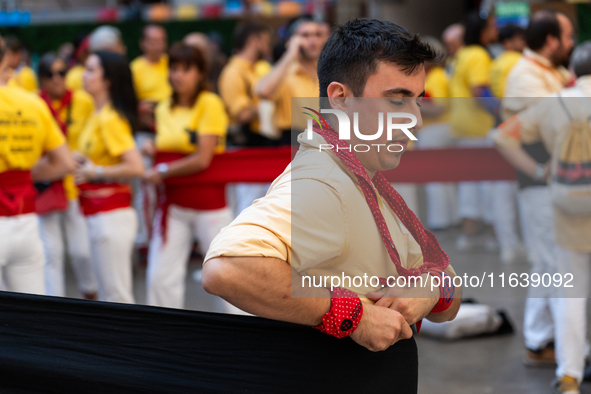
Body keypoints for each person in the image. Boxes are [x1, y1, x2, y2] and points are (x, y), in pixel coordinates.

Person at [202, 19, 461, 358]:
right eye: (397, 101)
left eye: (417, 100)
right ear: (340, 98)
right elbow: (226, 269)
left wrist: (427, 291)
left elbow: (449, 293)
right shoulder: (324, 182)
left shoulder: (360, 174)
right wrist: (354, 316)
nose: (416, 119)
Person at [494, 40, 591, 394]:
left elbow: (502, 137)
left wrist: (539, 170)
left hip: (569, 209)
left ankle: (569, 376)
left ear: (575, 71)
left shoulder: (554, 104)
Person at [501, 9, 574, 369]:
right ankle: (566, 355)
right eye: (569, 36)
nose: (572, 44)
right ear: (551, 41)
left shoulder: (552, 71)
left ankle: (541, 339)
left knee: (549, 264)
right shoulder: (525, 76)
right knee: (558, 265)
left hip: (561, 184)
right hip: (542, 185)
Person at [142, 43, 232, 309]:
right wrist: (153, 149)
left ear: (200, 73)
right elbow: (171, 146)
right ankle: (163, 340)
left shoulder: (210, 103)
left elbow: (203, 158)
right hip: (172, 205)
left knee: (228, 278)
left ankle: (243, 340)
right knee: (159, 278)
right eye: (174, 68)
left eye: (186, 69)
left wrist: (163, 170)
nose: (178, 75)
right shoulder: (163, 108)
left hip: (209, 205)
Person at [0, 35, 75, 295]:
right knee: (28, 315)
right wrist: (22, 177)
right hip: (26, 221)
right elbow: (65, 162)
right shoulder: (32, 103)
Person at [75, 51, 144, 303]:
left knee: (116, 295)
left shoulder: (111, 119)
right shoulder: (97, 115)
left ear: (108, 81)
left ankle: (128, 343)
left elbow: (136, 167)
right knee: (109, 294)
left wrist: (96, 172)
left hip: (111, 216)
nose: (84, 75)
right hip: (98, 214)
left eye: (92, 70)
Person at [37, 52, 98, 299]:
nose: (57, 79)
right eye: (51, 74)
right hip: (48, 184)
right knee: (51, 253)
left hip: (76, 184)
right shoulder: (35, 104)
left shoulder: (83, 101)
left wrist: (79, 156)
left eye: (61, 73)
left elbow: (92, 135)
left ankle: (91, 294)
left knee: (82, 250)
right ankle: (55, 305)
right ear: (42, 79)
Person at [449, 10, 499, 251]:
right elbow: (480, 91)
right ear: (482, 31)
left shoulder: (461, 54)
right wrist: (501, 112)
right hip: (479, 127)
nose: (496, 30)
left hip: (460, 125)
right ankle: (493, 235)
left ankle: (468, 235)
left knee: (469, 182)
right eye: (491, 26)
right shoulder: (479, 55)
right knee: (489, 183)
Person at [218, 22, 273, 215]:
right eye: (265, 41)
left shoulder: (258, 68)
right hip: (243, 150)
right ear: (253, 41)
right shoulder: (233, 72)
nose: (268, 46)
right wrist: (267, 101)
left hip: (262, 147)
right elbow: (241, 114)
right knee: (248, 209)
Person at [130, 25, 172, 251]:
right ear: (143, 43)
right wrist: (141, 109)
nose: (158, 45)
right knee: (145, 190)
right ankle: (145, 241)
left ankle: (167, 239)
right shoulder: (135, 68)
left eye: (162, 40)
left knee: (170, 188)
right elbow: (127, 105)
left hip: (169, 134)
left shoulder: (173, 65)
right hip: (145, 134)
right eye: (153, 40)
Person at [255, 16, 321, 145]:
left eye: (317, 35)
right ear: (291, 40)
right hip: (293, 141)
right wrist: (291, 52)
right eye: (305, 35)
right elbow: (263, 92)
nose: (313, 41)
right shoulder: (283, 73)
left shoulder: (326, 71)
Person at [416, 36, 458, 230]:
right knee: (444, 177)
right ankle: (450, 218)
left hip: (436, 130)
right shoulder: (435, 75)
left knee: (436, 178)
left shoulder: (436, 77)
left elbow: (440, 107)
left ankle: (441, 221)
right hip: (439, 129)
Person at [490, 24, 526, 98]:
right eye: (520, 39)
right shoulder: (519, 60)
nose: (524, 42)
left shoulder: (495, 62)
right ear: (507, 42)